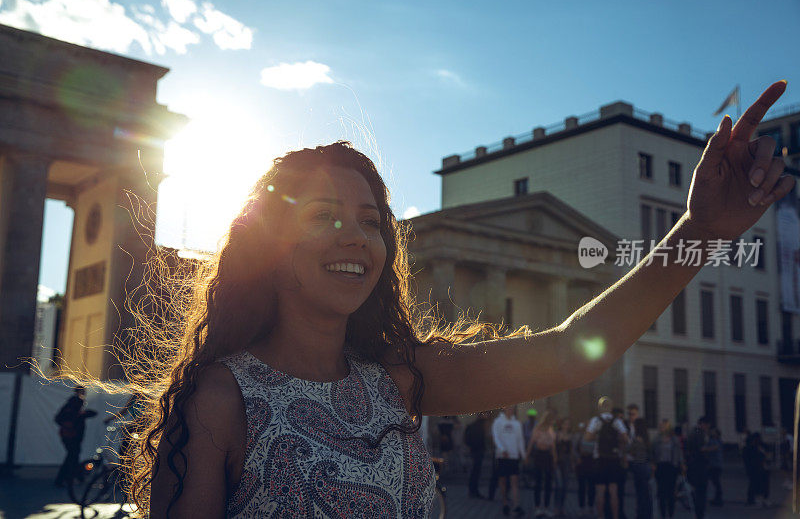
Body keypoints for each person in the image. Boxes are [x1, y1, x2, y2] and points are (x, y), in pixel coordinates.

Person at [92, 80, 787, 518]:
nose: (357, 237)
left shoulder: (398, 379)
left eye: (371, 220)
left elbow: (574, 351)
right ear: (267, 243)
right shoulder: (222, 398)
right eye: (325, 215)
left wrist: (700, 230)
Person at [585, 397, 629, 519]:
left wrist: (597, 437)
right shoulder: (617, 421)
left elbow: (587, 438)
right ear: (610, 408)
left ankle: (601, 517)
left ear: (600, 407)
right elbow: (626, 439)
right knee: (613, 492)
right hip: (614, 459)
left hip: (600, 459)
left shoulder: (596, 420)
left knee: (600, 492)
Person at [54, 386, 98, 486]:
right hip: (71, 436)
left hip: (72, 435)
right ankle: (62, 479)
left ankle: (77, 477)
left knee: (73, 456)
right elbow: (59, 418)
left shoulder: (75, 405)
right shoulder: (74, 403)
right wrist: (71, 423)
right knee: (72, 456)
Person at [493, 406, 526, 517]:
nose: (510, 409)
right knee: (502, 481)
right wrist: (503, 449)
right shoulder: (498, 422)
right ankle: (505, 503)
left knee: (514, 481)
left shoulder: (517, 423)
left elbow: (520, 439)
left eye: (512, 408)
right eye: (509, 407)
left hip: (513, 456)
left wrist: (523, 454)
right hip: (502, 456)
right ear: (504, 408)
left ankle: (516, 505)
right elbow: (496, 437)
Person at [527, 409, 557, 517]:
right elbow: (531, 442)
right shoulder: (538, 429)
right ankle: (537, 507)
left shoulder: (550, 429)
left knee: (548, 483)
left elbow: (553, 446)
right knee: (538, 482)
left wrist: (554, 459)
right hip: (539, 455)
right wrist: (527, 455)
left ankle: (546, 507)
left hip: (547, 456)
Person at [651, 419, 682, 519]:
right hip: (660, 467)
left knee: (671, 493)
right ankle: (663, 514)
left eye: (663, 426)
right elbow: (652, 452)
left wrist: (680, 465)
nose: (661, 428)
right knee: (661, 493)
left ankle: (671, 513)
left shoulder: (674, 439)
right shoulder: (656, 439)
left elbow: (678, 453)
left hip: (671, 467)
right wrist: (653, 463)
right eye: (660, 426)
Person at [685, 416, 712, 519]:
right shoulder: (699, 433)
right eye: (707, 425)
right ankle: (699, 514)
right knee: (701, 492)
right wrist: (712, 448)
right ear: (703, 424)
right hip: (700, 465)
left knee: (697, 491)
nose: (708, 427)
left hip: (693, 465)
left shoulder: (693, 432)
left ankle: (698, 513)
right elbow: (701, 449)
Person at [628, 419, 653, 519]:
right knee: (646, 493)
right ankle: (648, 514)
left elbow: (630, 451)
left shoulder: (636, 439)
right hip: (646, 466)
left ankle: (641, 514)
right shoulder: (646, 438)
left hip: (638, 466)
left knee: (640, 493)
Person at [619, 404, 640, 519]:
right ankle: (621, 513)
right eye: (629, 414)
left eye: (633, 414)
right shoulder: (624, 425)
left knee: (638, 488)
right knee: (621, 488)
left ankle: (638, 513)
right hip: (626, 459)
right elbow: (622, 442)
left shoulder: (639, 426)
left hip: (637, 460)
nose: (631, 416)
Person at [465, 412, 489, 499]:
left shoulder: (473, 425)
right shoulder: (480, 425)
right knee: (476, 472)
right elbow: (481, 438)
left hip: (474, 451)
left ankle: (472, 490)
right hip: (478, 451)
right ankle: (473, 491)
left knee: (475, 472)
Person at [553, 418, 574, 518]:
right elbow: (553, 448)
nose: (567, 426)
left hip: (566, 463)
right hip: (558, 462)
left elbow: (571, 451)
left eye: (568, 424)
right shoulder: (556, 434)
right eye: (565, 424)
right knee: (559, 485)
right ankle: (556, 508)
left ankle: (562, 508)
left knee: (565, 486)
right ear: (561, 425)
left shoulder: (570, 436)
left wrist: (572, 462)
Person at [742, 432, 770, 507]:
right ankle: (758, 499)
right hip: (757, 468)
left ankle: (757, 499)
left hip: (759, 468)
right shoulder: (751, 448)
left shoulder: (756, 447)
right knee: (757, 484)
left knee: (757, 484)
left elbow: (767, 455)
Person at [575, 421, 597, 517]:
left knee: (592, 486)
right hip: (582, 462)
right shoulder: (581, 436)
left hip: (592, 462)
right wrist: (577, 458)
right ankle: (581, 507)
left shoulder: (596, 438)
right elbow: (575, 448)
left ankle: (591, 506)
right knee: (582, 486)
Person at [706, 428, 723, 506]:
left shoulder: (714, 441)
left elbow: (714, 447)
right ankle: (718, 498)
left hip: (714, 464)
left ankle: (718, 499)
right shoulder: (718, 440)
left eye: (714, 432)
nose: (712, 432)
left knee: (715, 482)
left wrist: (705, 449)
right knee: (716, 482)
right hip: (716, 464)